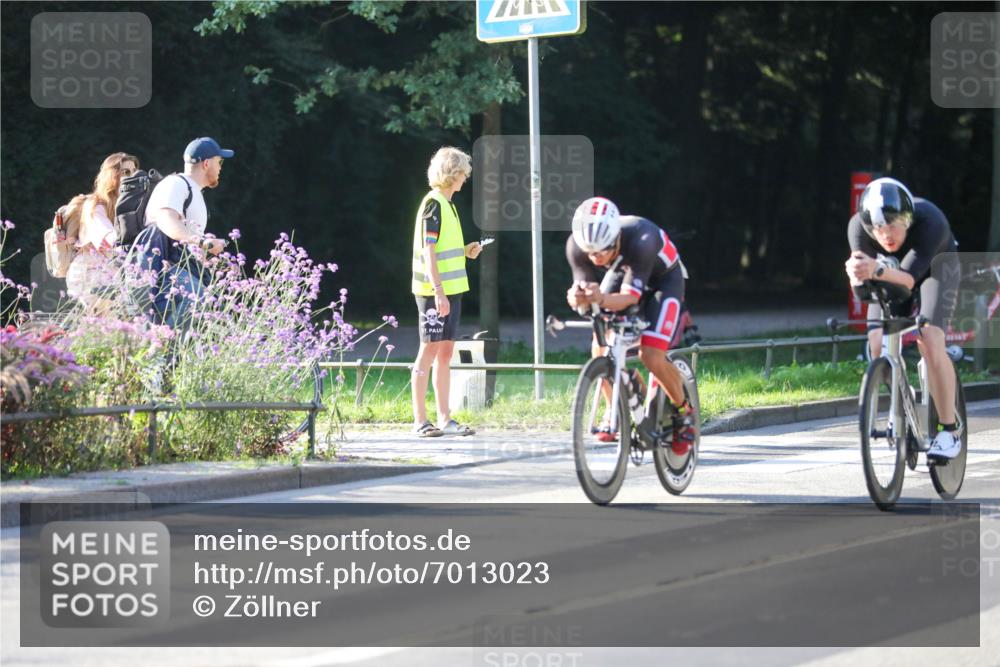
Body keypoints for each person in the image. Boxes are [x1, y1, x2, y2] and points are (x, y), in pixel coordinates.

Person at [565, 196, 696, 455]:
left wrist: (599, 297)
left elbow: (630, 298)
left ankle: (684, 411)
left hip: (664, 281)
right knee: (600, 346)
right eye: (591, 253)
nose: (596, 258)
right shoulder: (577, 246)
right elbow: (585, 299)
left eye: (602, 251)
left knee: (651, 354)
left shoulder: (642, 237)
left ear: (616, 239)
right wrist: (578, 299)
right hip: (623, 273)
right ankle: (613, 409)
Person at [845, 177, 962, 460]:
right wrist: (855, 276)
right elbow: (864, 294)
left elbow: (909, 280)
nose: (885, 235)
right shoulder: (858, 228)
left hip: (935, 269)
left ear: (906, 219)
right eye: (877, 229)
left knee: (930, 338)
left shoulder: (930, 221)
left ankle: (949, 429)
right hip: (889, 273)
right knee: (876, 341)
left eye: (892, 226)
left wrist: (876, 270)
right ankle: (901, 392)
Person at [410, 147, 483, 437]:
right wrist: (438, 292)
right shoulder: (434, 204)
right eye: (464, 173)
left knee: (445, 352)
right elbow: (428, 252)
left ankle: (445, 419)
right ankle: (420, 421)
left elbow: (442, 249)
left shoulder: (448, 205)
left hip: (451, 290)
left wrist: (466, 251)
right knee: (427, 351)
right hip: (433, 292)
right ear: (452, 174)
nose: (466, 178)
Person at [138, 137, 231, 329]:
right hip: (162, 267)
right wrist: (203, 242)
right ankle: (163, 349)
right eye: (219, 162)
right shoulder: (176, 184)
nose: (221, 167)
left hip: (177, 268)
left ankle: (168, 352)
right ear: (206, 163)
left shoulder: (194, 191)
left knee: (205, 311)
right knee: (199, 301)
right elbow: (165, 219)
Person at [65, 152, 139, 311]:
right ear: (112, 176)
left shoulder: (126, 204)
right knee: (101, 327)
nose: (132, 176)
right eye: (126, 172)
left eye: (134, 172)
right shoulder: (95, 205)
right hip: (89, 275)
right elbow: (109, 240)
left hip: (110, 275)